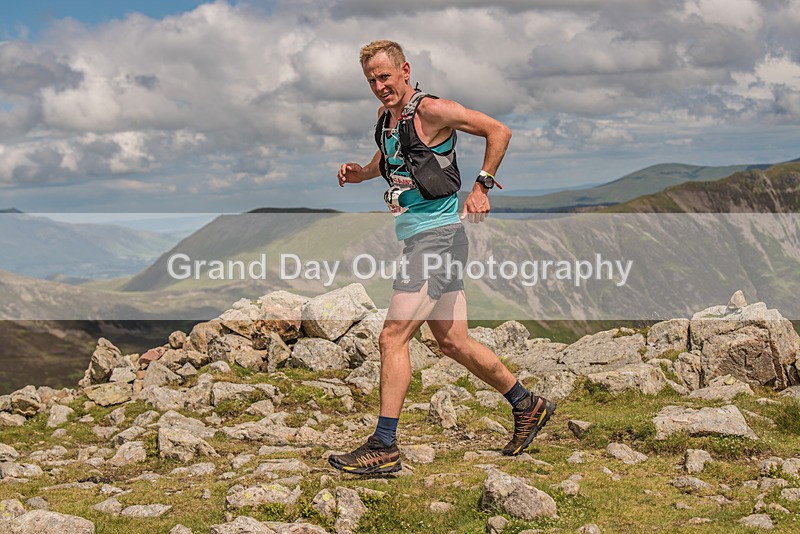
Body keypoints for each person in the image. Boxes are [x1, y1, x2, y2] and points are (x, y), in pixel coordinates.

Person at [329, 40, 555, 475]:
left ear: (405, 70)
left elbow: (499, 130)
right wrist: (361, 172)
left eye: (385, 77)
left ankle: (385, 446)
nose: (379, 86)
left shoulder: (431, 110)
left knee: (392, 337)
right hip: (423, 239)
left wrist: (481, 186)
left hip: (439, 240)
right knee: (452, 342)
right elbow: (391, 156)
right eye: (371, 80)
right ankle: (528, 405)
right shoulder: (387, 119)